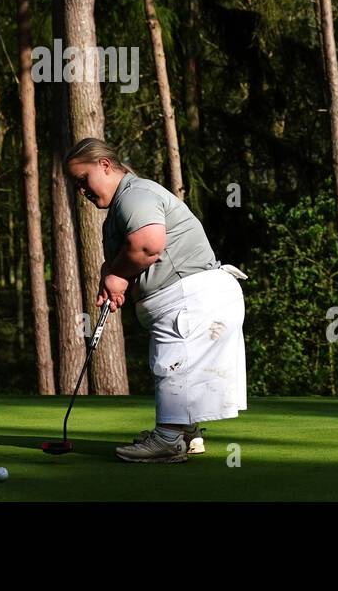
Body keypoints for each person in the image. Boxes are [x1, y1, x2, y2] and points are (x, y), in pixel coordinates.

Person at [64, 137, 248, 463]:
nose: (82, 190)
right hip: (200, 297)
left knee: (173, 365)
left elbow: (148, 246)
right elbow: (132, 257)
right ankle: (186, 432)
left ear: (105, 166)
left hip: (193, 297)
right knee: (186, 365)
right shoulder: (128, 201)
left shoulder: (135, 194)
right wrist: (115, 277)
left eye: (83, 180)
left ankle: (168, 440)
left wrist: (116, 274)